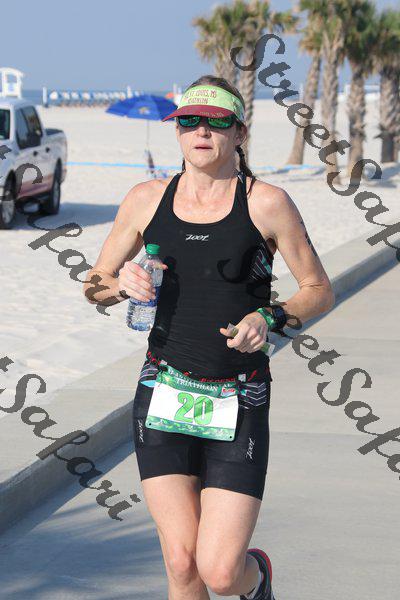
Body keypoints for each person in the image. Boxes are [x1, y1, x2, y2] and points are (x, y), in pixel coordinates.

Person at [84, 75, 335, 600]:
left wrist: (270, 316)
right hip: (163, 388)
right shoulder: (145, 199)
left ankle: (257, 577)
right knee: (181, 564)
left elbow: (317, 289)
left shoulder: (267, 203)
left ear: (239, 133)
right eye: (189, 121)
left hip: (239, 394)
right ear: (177, 131)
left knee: (219, 573)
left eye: (216, 122)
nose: (201, 131)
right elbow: (94, 284)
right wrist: (120, 283)